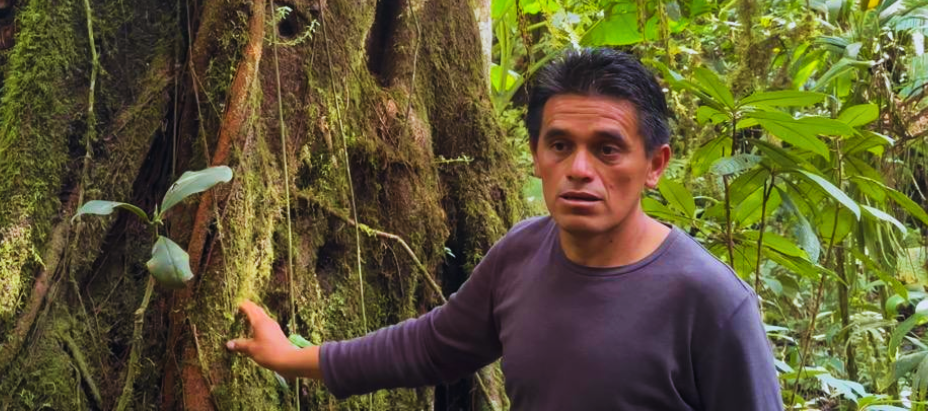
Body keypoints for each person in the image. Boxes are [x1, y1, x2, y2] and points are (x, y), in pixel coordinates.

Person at [226, 48, 784, 410]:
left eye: (608, 149)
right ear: (537, 156)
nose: (581, 169)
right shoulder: (521, 255)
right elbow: (431, 345)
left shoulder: (710, 301)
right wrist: (292, 357)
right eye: (561, 145)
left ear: (655, 166)